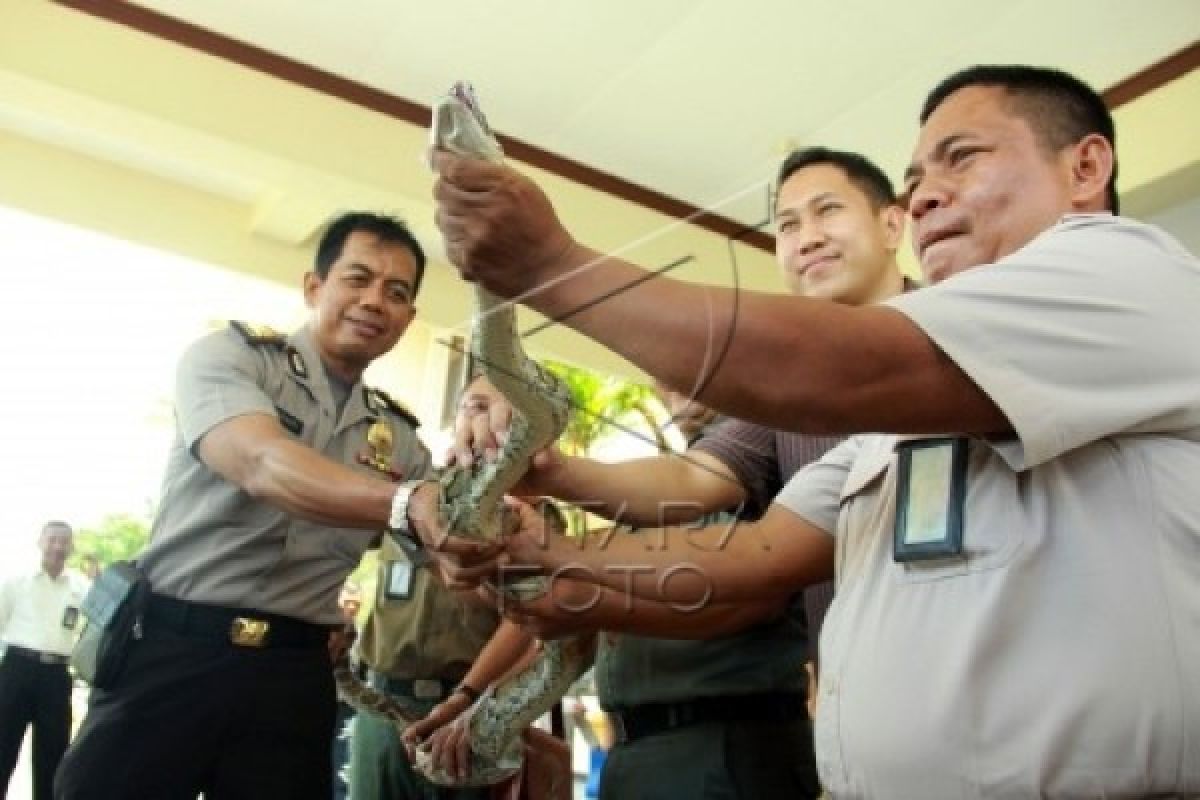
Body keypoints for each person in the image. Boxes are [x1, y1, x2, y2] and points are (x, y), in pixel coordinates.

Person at [431, 66, 1200, 796]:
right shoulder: (891, 418)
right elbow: (758, 552)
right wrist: (538, 550)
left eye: (959, 158)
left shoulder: (1126, 273)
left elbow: (824, 366)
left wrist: (553, 265)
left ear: (1086, 165)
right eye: (916, 179)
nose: (929, 195)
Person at [55, 212, 482, 800]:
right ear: (314, 286)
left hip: (291, 677)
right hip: (172, 653)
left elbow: (457, 556)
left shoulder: (400, 438)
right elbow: (261, 463)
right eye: (356, 279)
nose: (373, 301)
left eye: (396, 292)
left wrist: (507, 482)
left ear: (408, 319)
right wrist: (407, 501)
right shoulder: (232, 359)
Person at [349, 377, 511, 800]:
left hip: (467, 719)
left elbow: (532, 630)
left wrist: (470, 704)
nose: (485, 421)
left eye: (502, 410)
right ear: (455, 417)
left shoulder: (531, 514)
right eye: (474, 407)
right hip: (381, 708)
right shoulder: (404, 496)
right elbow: (327, 544)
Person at [0, 521, 85, 800]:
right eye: (52, 540)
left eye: (64, 541)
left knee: (53, 753)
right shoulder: (15, 580)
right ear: (40, 542)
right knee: (3, 744)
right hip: (16, 669)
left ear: (71, 547)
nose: (58, 547)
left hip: (56, 676)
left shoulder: (80, 587)